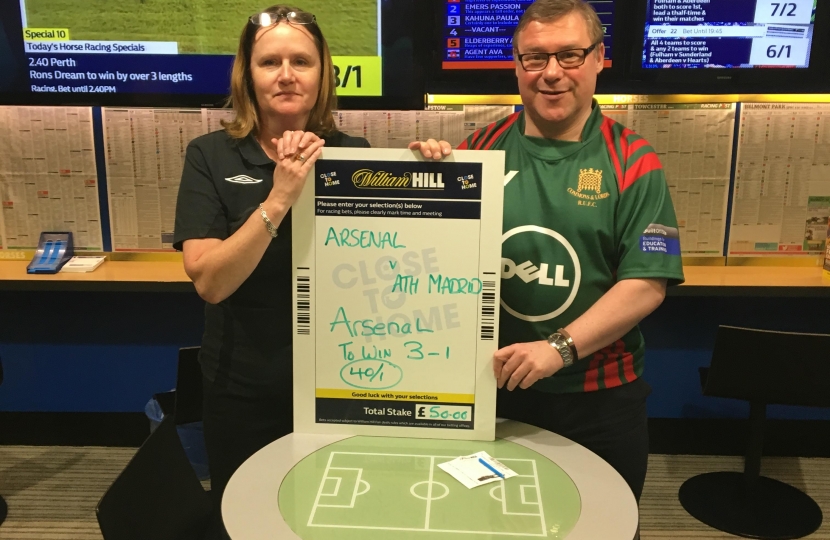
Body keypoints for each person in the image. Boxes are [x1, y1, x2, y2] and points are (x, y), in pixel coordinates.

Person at [173, 5, 435, 535]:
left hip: (343, 382)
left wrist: (438, 173)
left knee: (337, 516)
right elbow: (210, 281)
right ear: (248, 74)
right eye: (270, 62)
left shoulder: (354, 153)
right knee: (249, 519)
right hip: (244, 389)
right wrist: (281, 194)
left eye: (302, 61)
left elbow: (398, 263)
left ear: (324, 74)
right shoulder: (210, 155)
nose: (287, 75)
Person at [413, 0, 685, 505]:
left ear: (600, 58)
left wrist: (556, 349)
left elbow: (647, 284)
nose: (552, 74)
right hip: (493, 391)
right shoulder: (477, 150)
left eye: (570, 56)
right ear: (516, 65)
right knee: (494, 526)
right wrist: (425, 180)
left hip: (598, 400)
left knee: (605, 526)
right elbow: (429, 262)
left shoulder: (635, 159)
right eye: (535, 58)